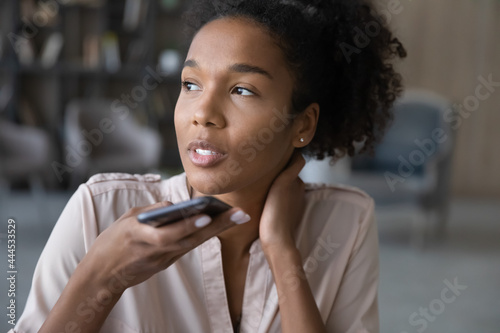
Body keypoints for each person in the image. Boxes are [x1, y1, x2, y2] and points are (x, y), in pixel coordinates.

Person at [11, 0, 406, 332]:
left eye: (242, 90)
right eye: (191, 84)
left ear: (302, 124)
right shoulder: (99, 209)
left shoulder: (345, 220)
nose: (203, 113)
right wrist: (103, 274)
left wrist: (281, 248)